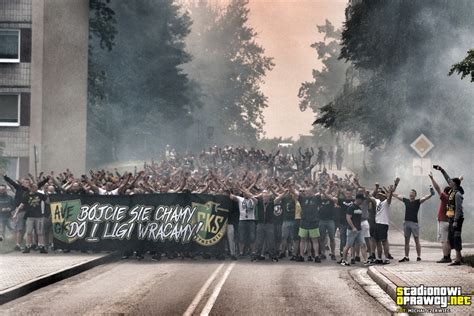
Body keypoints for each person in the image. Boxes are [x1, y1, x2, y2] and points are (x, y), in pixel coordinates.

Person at [393, 186, 433, 262]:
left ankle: (418, 256)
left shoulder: (417, 201)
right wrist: (391, 193)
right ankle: (406, 257)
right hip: (406, 222)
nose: (411, 194)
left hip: (414, 223)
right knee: (406, 240)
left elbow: (424, 198)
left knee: (416, 239)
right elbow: (398, 196)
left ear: (415, 195)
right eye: (410, 193)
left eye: (413, 193)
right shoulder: (406, 201)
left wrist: (431, 194)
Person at [434, 165, 464, 266]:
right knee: (452, 239)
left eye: (451, 182)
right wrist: (442, 170)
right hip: (451, 219)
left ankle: (458, 259)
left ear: (454, 184)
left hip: (457, 219)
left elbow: (459, 209)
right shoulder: (452, 192)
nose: (449, 182)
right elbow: (448, 178)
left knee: (456, 238)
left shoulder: (458, 194)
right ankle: (458, 258)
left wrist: (455, 220)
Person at [12, 183, 48, 253]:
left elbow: (48, 202)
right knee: (29, 232)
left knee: (40, 232)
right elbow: (21, 205)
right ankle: (28, 246)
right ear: (31, 188)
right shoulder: (27, 195)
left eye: (37, 187)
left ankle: (41, 246)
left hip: (39, 216)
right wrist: (15, 214)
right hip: (29, 216)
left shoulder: (40, 195)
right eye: (35, 187)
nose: (36, 189)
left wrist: (46, 193)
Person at [339, 194, 370, 266]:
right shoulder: (351, 207)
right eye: (362, 200)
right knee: (348, 245)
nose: (362, 201)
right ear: (358, 199)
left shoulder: (359, 208)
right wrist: (353, 227)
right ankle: (344, 260)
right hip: (352, 230)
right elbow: (348, 218)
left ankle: (366, 260)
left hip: (359, 230)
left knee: (363, 244)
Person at [429, 172, 452, 263]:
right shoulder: (452, 199)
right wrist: (460, 180)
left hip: (442, 221)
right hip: (449, 221)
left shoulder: (445, 197)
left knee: (443, 241)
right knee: (448, 240)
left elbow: (437, 188)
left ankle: (445, 257)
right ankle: (449, 256)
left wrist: (432, 178)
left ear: (445, 192)